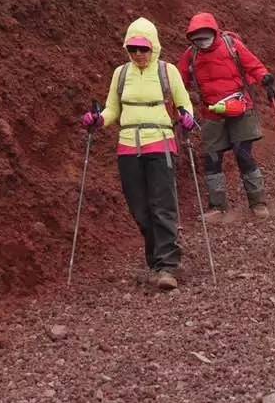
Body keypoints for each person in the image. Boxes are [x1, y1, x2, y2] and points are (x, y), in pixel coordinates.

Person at [81, 17, 196, 291]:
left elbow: (184, 104)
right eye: (133, 49)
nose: (138, 54)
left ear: (153, 47)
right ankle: (156, 262)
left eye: (143, 49)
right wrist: (98, 120)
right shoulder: (120, 74)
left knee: (162, 205)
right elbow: (112, 110)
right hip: (128, 148)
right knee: (140, 209)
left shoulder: (168, 72)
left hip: (161, 143)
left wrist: (187, 117)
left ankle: (167, 266)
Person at [176, 12, 275, 223]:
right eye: (197, 39)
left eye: (204, 37)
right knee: (212, 159)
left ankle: (258, 202)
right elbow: (178, 80)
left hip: (241, 108)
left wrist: (265, 78)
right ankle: (217, 207)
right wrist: (175, 102)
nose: (201, 42)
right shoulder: (191, 54)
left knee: (243, 154)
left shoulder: (232, 45)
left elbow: (253, 65)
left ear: (214, 32)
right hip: (211, 112)